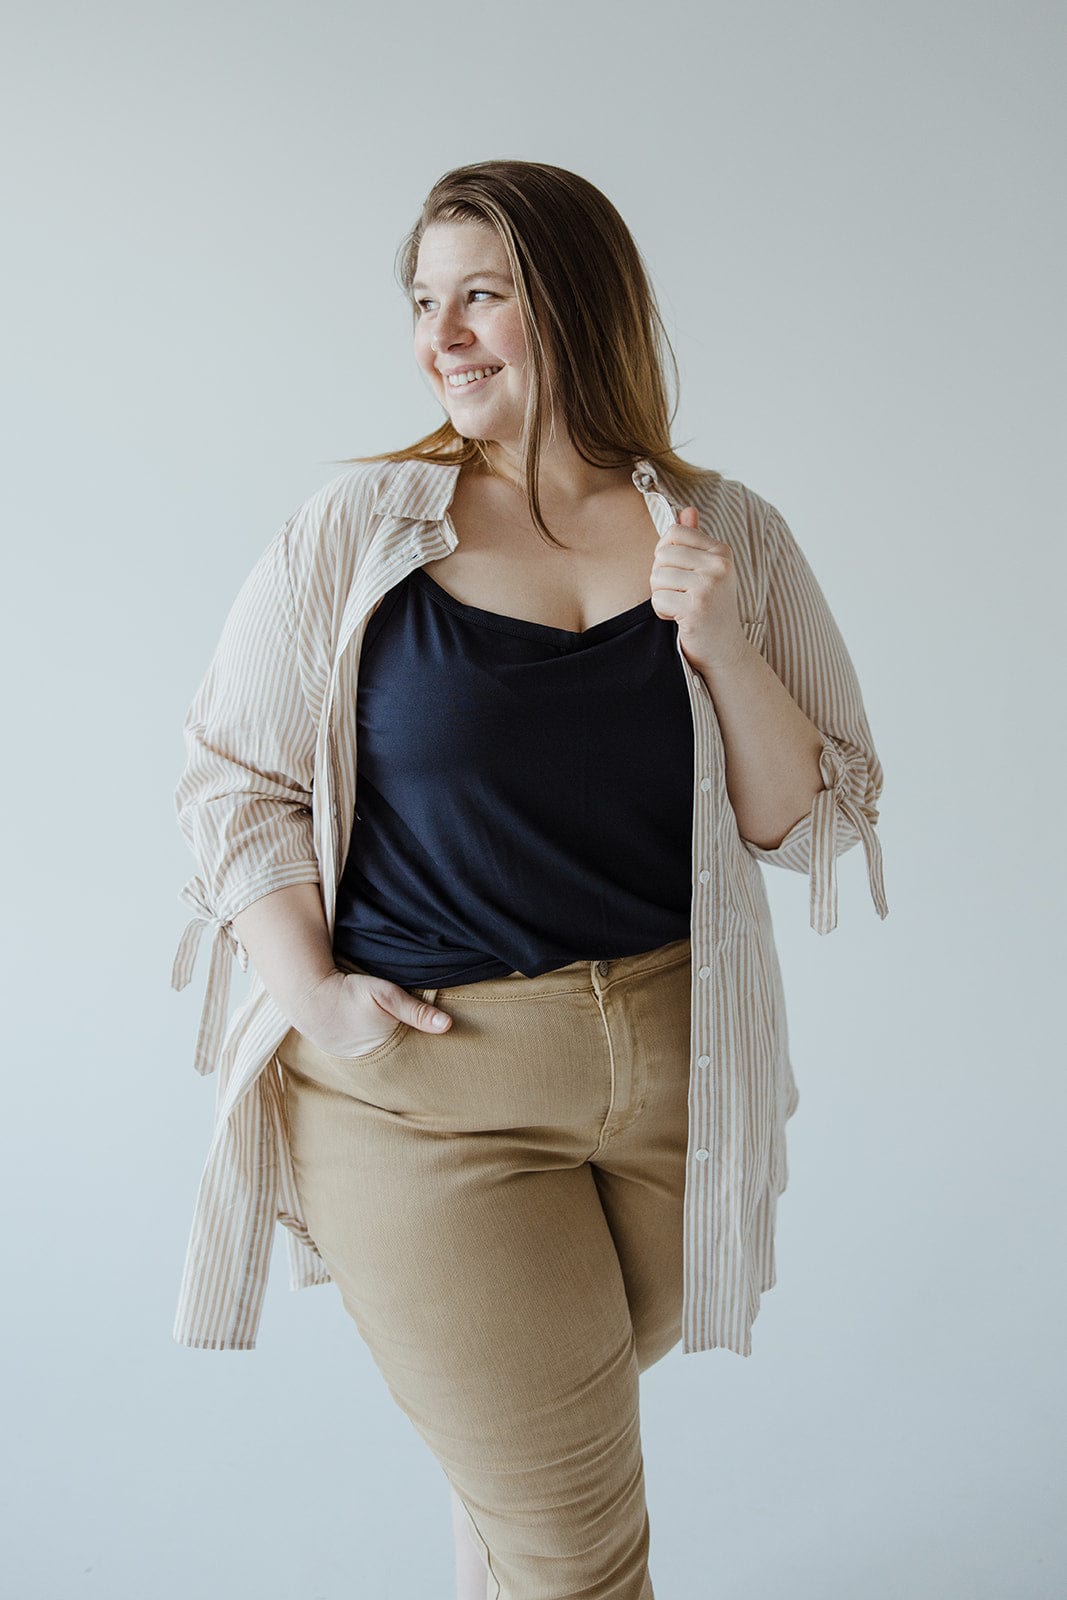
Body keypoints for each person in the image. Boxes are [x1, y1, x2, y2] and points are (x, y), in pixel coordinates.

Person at [169, 158, 889, 1600]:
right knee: (581, 1551)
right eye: (424, 302)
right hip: (427, 1100)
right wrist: (313, 995)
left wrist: (725, 646)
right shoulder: (357, 532)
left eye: (482, 295)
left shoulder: (721, 528)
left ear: (575, 304)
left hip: (684, 1094)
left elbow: (805, 820)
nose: (444, 334)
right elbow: (232, 782)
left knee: (527, 1490)